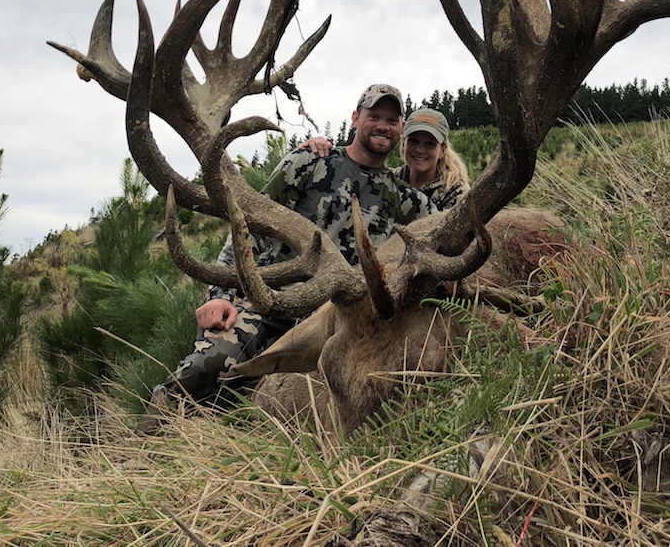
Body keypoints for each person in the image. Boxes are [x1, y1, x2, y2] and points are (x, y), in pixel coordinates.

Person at [139, 84, 436, 432]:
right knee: (209, 367)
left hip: (331, 321)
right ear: (356, 119)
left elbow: (452, 226)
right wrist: (219, 295)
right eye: (374, 116)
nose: (382, 126)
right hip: (266, 302)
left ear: (400, 129)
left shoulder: (407, 201)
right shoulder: (308, 162)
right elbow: (245, 224)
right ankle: (146, 438)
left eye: (391, 119)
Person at [301, 107, 469, 211]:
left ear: (442, 150)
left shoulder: (455, 193)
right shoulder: (390, 180)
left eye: (430, 144)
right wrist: (318, 147)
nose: (420, 149)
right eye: (414, 141)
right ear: (403, 144)